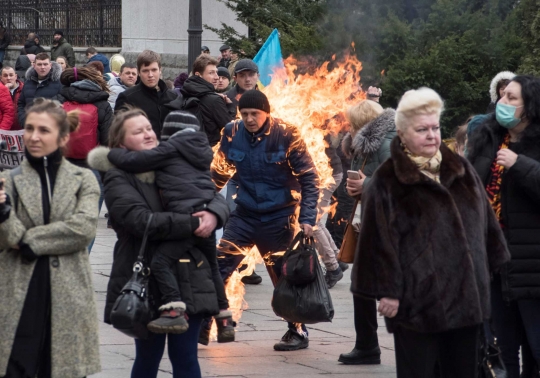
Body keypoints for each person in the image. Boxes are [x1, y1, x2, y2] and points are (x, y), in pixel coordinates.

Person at [351, 87, 510, 378]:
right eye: (421, 129)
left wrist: (495, 267)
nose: (431, 135)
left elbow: (486, 221)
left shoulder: (460, 167)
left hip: (466, 296)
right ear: (401, 132)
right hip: (416, 301)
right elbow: (377, 240)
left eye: (435, 128)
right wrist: (388, 291)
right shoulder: (387, 179)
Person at [87, 108, 229, 378]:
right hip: (147, 277)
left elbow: (211, 193)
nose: (147, 134)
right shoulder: (119, 175)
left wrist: (214, 214)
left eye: (149, 128)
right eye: (137, 132)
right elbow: (139, 220)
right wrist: (192, 223)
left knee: (186, 357)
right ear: (120, 143)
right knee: (148, 358)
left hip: (189, 275)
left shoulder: (173, 158)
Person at [211, 90, 320, 351]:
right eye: (244, 114)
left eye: (255, 114)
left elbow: (309, 178)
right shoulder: (231, 132)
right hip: (244, 215)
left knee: (282, 278)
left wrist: (306, 218)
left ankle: (297, 331)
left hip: (278, 217)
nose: (249, 119)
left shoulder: (287, 133)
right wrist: (199, 204)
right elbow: (218, 174)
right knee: (218, 267)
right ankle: (207, 321)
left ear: (266, 113)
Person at [0, 98, 101, 378]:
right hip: (17, 293)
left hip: (67, 292)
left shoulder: (83, 179)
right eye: (29, 128)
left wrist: (29, 241)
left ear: (63, 136)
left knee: (63, 370)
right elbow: (7, 239)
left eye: (43, 130)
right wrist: (4, 213)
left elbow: (82, 229)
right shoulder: (10, 180)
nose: (33, 136)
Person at [468, 75, 540, 378]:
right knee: (504, 349)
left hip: (532, 265)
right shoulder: (487, 137)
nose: (503, 103)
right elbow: (467, 186)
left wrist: (519, 164)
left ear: (530, 106)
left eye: (512, 98)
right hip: (495, 260)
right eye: (503, 96)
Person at [338, 98, 396, 365]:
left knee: (385, 286)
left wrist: (367, 185)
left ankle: (372, 345)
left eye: (352, 124)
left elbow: (397, 183)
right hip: (366, 222)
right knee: (360, 286)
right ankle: (366, 346)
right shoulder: (364, 146)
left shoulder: (386, 144)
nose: (348, 128)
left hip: (385, 226)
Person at [115, 50, 177, 140]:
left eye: (154, 70)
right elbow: (119, 132)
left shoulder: (173, 97)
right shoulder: (127, 98)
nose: (150, 75)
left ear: (160, 70)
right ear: (139, 73)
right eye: (145, 71)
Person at [175, 54, 232, 146]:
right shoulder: (214, 100)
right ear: (198, 75)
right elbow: (231, 129)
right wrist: (229, 106)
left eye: (216, 72)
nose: (217, 77)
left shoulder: (185, 93)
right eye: (211, 73)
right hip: (211, 153)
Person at [17, 53, 62, 126]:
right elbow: (21, 103)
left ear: (50, 65)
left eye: (45, 64)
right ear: (34, 66)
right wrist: (23, 119)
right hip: (29, 125)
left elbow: (62, 105)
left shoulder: (59, 83)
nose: (42, 67)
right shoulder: (28, 82)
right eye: (39, 64)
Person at [1, 65, 23, 130]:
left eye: (11, 75)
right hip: (3, 129)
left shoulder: (24, 89)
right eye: (5, 76)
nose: (8, 78)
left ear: (15, 76)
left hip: (20, 129)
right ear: (1, 78)